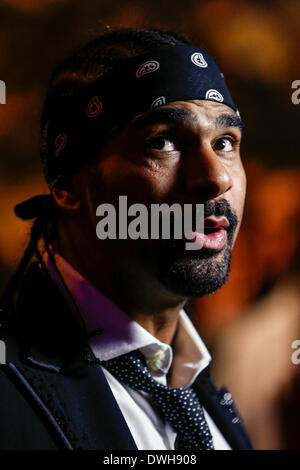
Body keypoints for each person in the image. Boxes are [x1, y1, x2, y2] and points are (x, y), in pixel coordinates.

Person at [0, 28, 252, 450]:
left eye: (225, 142)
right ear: (67, 184)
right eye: (163, 142)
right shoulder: (11, 387)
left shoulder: (204, 397)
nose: (215, 177)